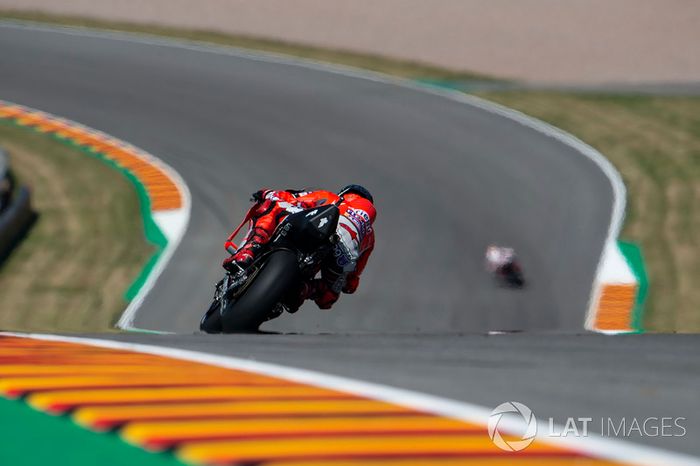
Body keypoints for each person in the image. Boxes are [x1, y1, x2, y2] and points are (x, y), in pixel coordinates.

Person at [223, 185, 376, 310]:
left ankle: (249, 249)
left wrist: (266, 193)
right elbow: (352, 282)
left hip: (311, 227)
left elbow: (291, 198)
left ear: (344, 194)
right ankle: (302, 290)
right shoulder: (369, 237)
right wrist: (346, 286)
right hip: (341, 254)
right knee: (328, 296)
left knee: (272, 205)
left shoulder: (331, 197)